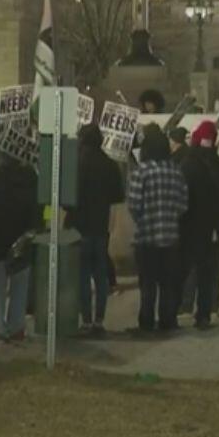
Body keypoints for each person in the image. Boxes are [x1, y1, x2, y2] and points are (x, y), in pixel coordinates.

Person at [127, 126, 188, 333]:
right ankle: (167, 321)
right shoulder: (176, 171)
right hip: (171, 236)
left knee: (147, 283)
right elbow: (183, 205)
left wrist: (143, 218)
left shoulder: (141, 172)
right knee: (168, 283)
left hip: (147, 236)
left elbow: (134, 204)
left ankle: (146, 323)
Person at [66, 124, 125, 335]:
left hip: (79, 226)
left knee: (82, 275)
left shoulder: (75, 164)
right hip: (100, 226)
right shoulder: (109, 164)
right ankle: (99, 320)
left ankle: (86, 320)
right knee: (100, 274)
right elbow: (118, 195)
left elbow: (66, 199)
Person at [176, 121, 219, 330]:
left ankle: (182, 306)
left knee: (186, 268)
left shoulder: (186, 164)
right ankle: (206, 312)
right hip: (210, 227)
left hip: (187, 225)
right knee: (209, 271)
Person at [0, 153, 38, 342]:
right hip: (23, 238)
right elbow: (39, 207)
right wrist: (36, 229)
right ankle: (17, 327)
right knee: (20, 285)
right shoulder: (31, 177)